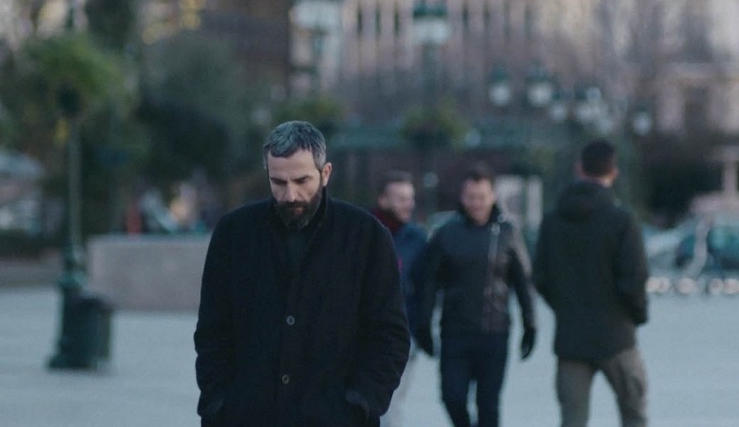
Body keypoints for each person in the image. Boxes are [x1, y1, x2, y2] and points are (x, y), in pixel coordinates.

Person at [194, 120, 410, 426]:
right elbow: (213, 330)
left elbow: (390, 334)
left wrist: (361, 402)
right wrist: (218, 404)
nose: (290, 194)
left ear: (325, 174)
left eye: (301, 181)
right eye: (278, 182)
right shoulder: (234, 234)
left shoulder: (367, 237)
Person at [533, 139, 649, 427]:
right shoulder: (622, 219)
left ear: (579, 169)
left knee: (572, 421)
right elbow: (634, 278)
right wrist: (637, 315)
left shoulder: (552, 220)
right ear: (614, 172)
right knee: (634, 414)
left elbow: (541, 277)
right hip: (617, 336)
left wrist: (565, 307)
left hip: (571, 338)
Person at [416, 163, 536, 427]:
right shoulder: (446, 233)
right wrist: (423, 323)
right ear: (462, 197)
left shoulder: (508, 233)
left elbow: (522, 282)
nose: (476, 203)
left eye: (481, 197)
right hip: (455, 333)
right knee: (452, 397)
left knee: (488, 405)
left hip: (494, 333)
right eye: (471, 197)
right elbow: (430, 283)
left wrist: (531, 323)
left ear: (492, 196)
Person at [371, 171, 428, 427]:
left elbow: (426, 287)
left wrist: (418, 329)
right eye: (401, 198)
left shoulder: (416, 239)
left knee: (390, 404)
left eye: (411, 198)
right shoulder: (364, 232)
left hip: (402, 337)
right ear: (383, 200)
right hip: (363, 336)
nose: (409, 204)